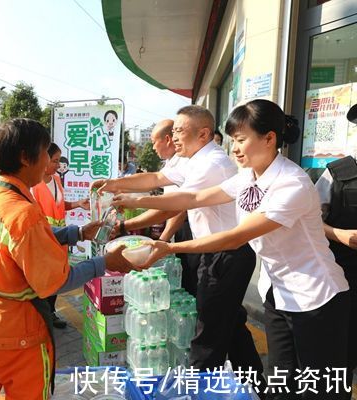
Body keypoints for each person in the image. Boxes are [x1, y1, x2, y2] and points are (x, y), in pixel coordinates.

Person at [114, 99, 350, 399]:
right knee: (280, 386)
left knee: (320, 390)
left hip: (318, 298)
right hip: (279, 294)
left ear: (269, 138)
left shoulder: (292, 183)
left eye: (241, 139)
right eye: (232, 140)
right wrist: (133, 200)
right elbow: (195, 199)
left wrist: (170, 248)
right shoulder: (248, 177)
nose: (234, 148)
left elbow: (235, 237)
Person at [0, 118, 135, 400]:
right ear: (26, 158)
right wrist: (106, 263)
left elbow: (17, 241)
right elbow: (56, 281)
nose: (51, 162)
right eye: (47, 153)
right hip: (14, 332)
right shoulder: (24, 213)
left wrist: (77, 233)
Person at [92, 105, 263, 382]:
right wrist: (115, 184)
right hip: (215, 251)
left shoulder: (212, 164)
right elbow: (157, 178)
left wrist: (132, 201)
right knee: (229, 325)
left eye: (179, 131)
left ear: (204, 133)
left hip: (226, 253)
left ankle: (200, 387)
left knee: (207, 334)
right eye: (172, 132)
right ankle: (257, 385)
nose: (175, 138)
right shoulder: (191, 159)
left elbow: (180, 202)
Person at [114, 119, 200, 295]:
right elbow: (153, 181)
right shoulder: (172, 164)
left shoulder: (186, 163)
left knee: (199, 289)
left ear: (168, 139)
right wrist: (116, 186)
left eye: (154, 142)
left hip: (192, 229)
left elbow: (177, 207)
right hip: (185, 228)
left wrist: (163, 240)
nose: (153, 147)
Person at [314, 102, 357, 398]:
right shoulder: (336, 173)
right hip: (345, 281)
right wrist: (337, 234)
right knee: (339, 355)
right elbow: (309, 222)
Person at [31, 142, 89, 329]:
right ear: (43, 159)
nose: (58, 165)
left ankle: (51, 313)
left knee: (56, 276)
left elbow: (59, 205)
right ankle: (42, 317)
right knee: (43, 279)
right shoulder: (33, 184)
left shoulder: (56, 179)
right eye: (55, 160)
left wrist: (78, 203)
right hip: (43, 239)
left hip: (60, 240)